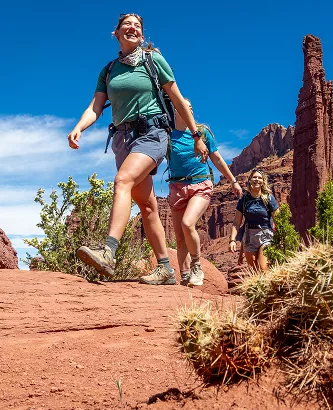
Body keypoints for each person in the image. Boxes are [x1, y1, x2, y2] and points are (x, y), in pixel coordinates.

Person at [67, 14, 208, 285]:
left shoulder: (153, 60)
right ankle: (165, 268)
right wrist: (79, 127)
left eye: (137, 26)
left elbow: (177, 97)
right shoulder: (108, 71)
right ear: (116, 33)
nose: (132, 28)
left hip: (152, 134)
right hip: (122, 140)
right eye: (126, 25)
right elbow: (96, 107)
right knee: (146, 205)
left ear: (141, 35)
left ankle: (108, 251)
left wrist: (196, 135)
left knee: (123, 181)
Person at [167, 98, 242, 286]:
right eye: (184, 107)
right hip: (176, 187)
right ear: (175, 109)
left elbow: (216, 159)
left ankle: (197, 266)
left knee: (187, 223)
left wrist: (233, 180)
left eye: (191, 107)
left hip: (200, 185)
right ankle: (185, 277)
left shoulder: (202, 133)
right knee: (179, 237)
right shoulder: (168, 134)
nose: (188, 110)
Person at [229, 170, 279, 272]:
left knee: (263, 267)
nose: (257, 180)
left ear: (263, 181)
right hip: (249, 237)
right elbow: (237, 223)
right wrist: (232, 240)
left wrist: (281, 239)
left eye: (260, 178)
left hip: (266, 235)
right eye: (254, 177)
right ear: (250, 180)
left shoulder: (268, 198)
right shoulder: (244, 200)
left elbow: (278, 219)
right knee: (254, 271)